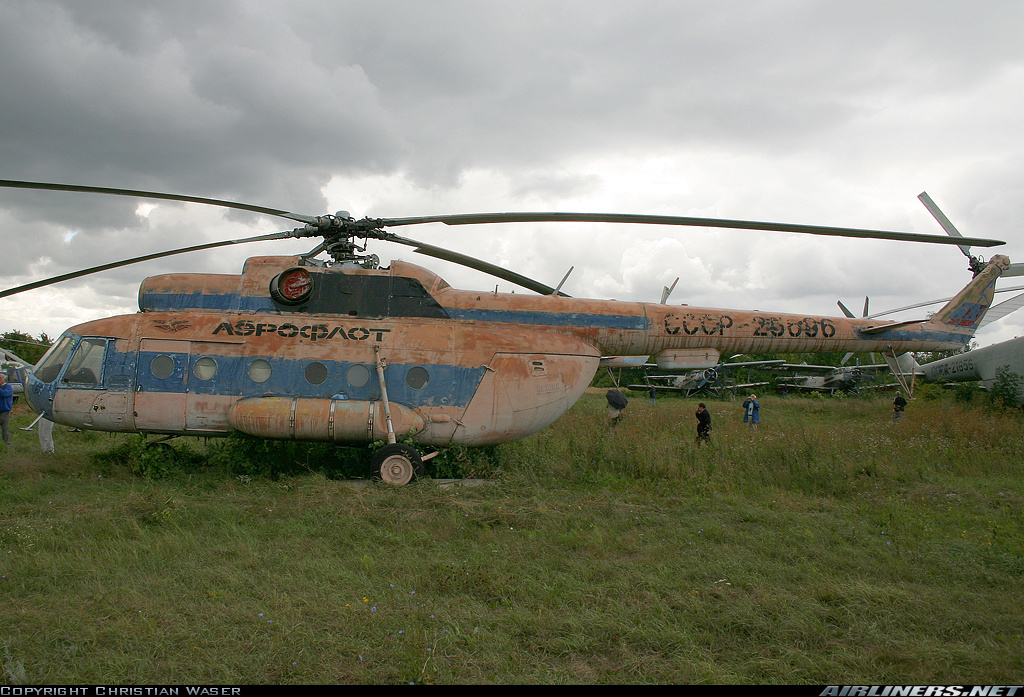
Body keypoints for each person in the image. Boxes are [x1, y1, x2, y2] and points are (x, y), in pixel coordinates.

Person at [0, 373, 13, 448]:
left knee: (5, 430)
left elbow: (4, 394)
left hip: (4, 412)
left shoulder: (8, 387)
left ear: (4, 379)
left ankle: (7, 445)